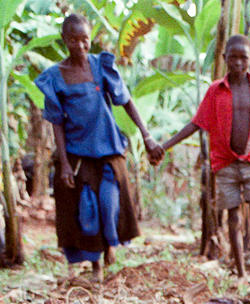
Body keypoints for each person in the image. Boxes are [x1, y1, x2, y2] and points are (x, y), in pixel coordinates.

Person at [34, 14, 162, 279]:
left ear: (89, 39)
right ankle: (96, 265)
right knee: (87, 211)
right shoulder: (55, 78)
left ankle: (111, 245)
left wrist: (146, 135)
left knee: (109, 204)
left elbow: (125, 100)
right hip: (78, 154)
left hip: (109, 150)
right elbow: (56, 123)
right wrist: (65, 163)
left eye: (84, 39)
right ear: (64, 40)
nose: (80, 46)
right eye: (73, 40)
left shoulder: (101, 66)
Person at [154, 34, 250, 291]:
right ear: (224, 59)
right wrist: (164, 146)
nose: (238, 62)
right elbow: (195, 124)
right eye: (233, 57)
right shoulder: (215, 91)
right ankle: (241, 274)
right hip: (225, 164)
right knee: (232, 216)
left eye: (243, 57)